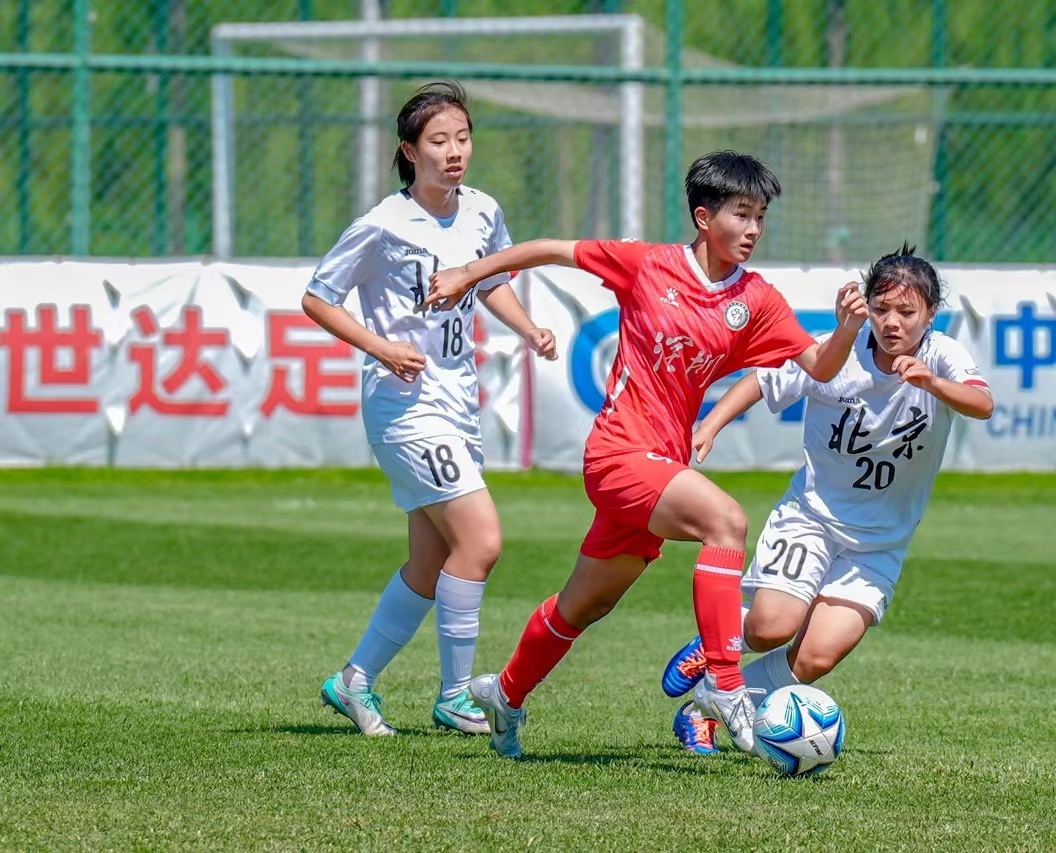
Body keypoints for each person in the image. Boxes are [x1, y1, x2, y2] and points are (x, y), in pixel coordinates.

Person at [427, 150, 867, 758]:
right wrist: (467, 274)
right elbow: (550, 249)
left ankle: (504, 695)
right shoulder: (648, 265)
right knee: (726, 521)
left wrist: (846, 329)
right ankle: (726, 686)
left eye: (761, 217)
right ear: (704, 216)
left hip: (662, 468)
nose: (754, 229)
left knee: (584, 604)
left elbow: (818, 366)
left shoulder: (756, 299)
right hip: (617, 454)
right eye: (742, 214)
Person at [658, 244, 994, 753]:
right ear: (866, 307)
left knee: (815, 657)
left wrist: (932, 382)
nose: (892, 322)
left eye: (907, 312)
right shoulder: (838, 352)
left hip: (879, 544)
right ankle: (713, 643)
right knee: (771, 627)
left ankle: (703, 707)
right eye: (881, 308)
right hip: (812, 519)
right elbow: (762, 380)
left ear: (930, 314)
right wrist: (710, 425)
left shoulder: (941, 355)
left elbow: (983, 403)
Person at [301, 81, 557, 737]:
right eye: (438, 141)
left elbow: (491, 282)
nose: (454, 151)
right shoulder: (383, 224)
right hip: (404, 407)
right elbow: (318, 299)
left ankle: (352, 681)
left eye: (463, 137)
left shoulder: (483, 212)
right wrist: (381, 347)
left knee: (429, 563)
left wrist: (528, 329)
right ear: (409, 151)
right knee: (481, 541)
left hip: (456, 401)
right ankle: (456, 694)